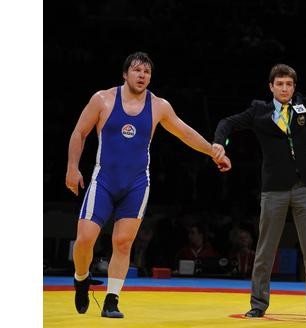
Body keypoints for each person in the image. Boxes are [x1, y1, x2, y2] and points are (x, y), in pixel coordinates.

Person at [65, 51, 231, 319]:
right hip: (104, 180)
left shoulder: (159, 106)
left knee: (123, 242)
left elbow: (183, 131)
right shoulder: (103, 99)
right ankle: (81, 278)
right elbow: (79, 132)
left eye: (147, 72)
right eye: (137, 70)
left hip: (136, 184)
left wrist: (212, 151)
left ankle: (112, 299)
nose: (142, 75)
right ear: (125, 74)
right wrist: (72, 168)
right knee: (84, 240)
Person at [212, 17, 306, 321]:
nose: (285, 88)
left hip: (305, 186)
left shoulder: (303, 107)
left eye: (289, 84)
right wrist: (219, 143)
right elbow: (227, 123)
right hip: (273, 189)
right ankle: (258, 304)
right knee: (265, 250)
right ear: (271, 87)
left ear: (295, 87)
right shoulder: (259, 111)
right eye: (279, 84)